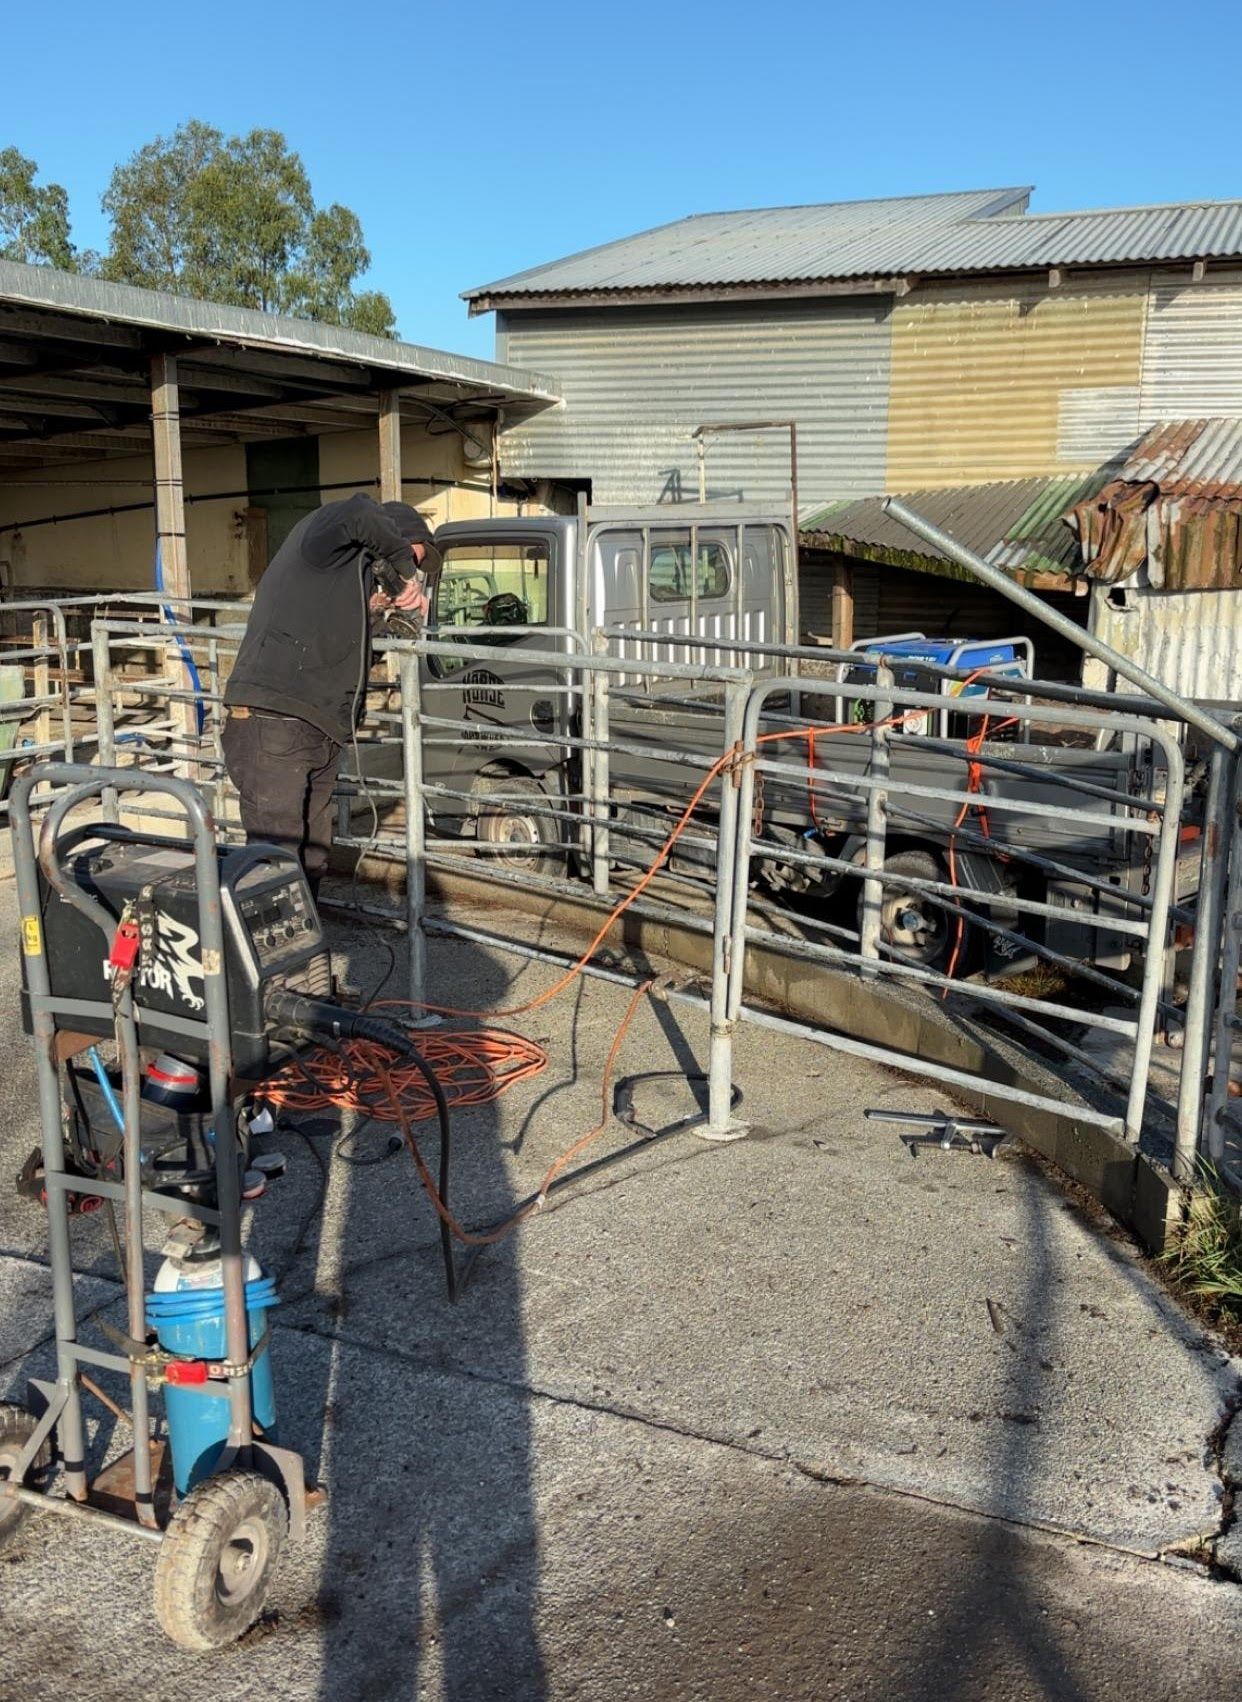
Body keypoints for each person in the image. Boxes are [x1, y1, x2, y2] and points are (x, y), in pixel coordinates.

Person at [223, 493, 436, 896]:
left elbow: (340, 648)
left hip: (316, 730)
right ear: (384, 540)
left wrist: (384, 614)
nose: (412, 572)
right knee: (278, 856)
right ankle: (267, 954)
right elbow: (358, 510)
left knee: (313, 855)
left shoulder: (346, 587)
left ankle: (307, 953)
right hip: (275, 719)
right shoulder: (321, 541)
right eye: (410, 556)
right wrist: (405, 574)